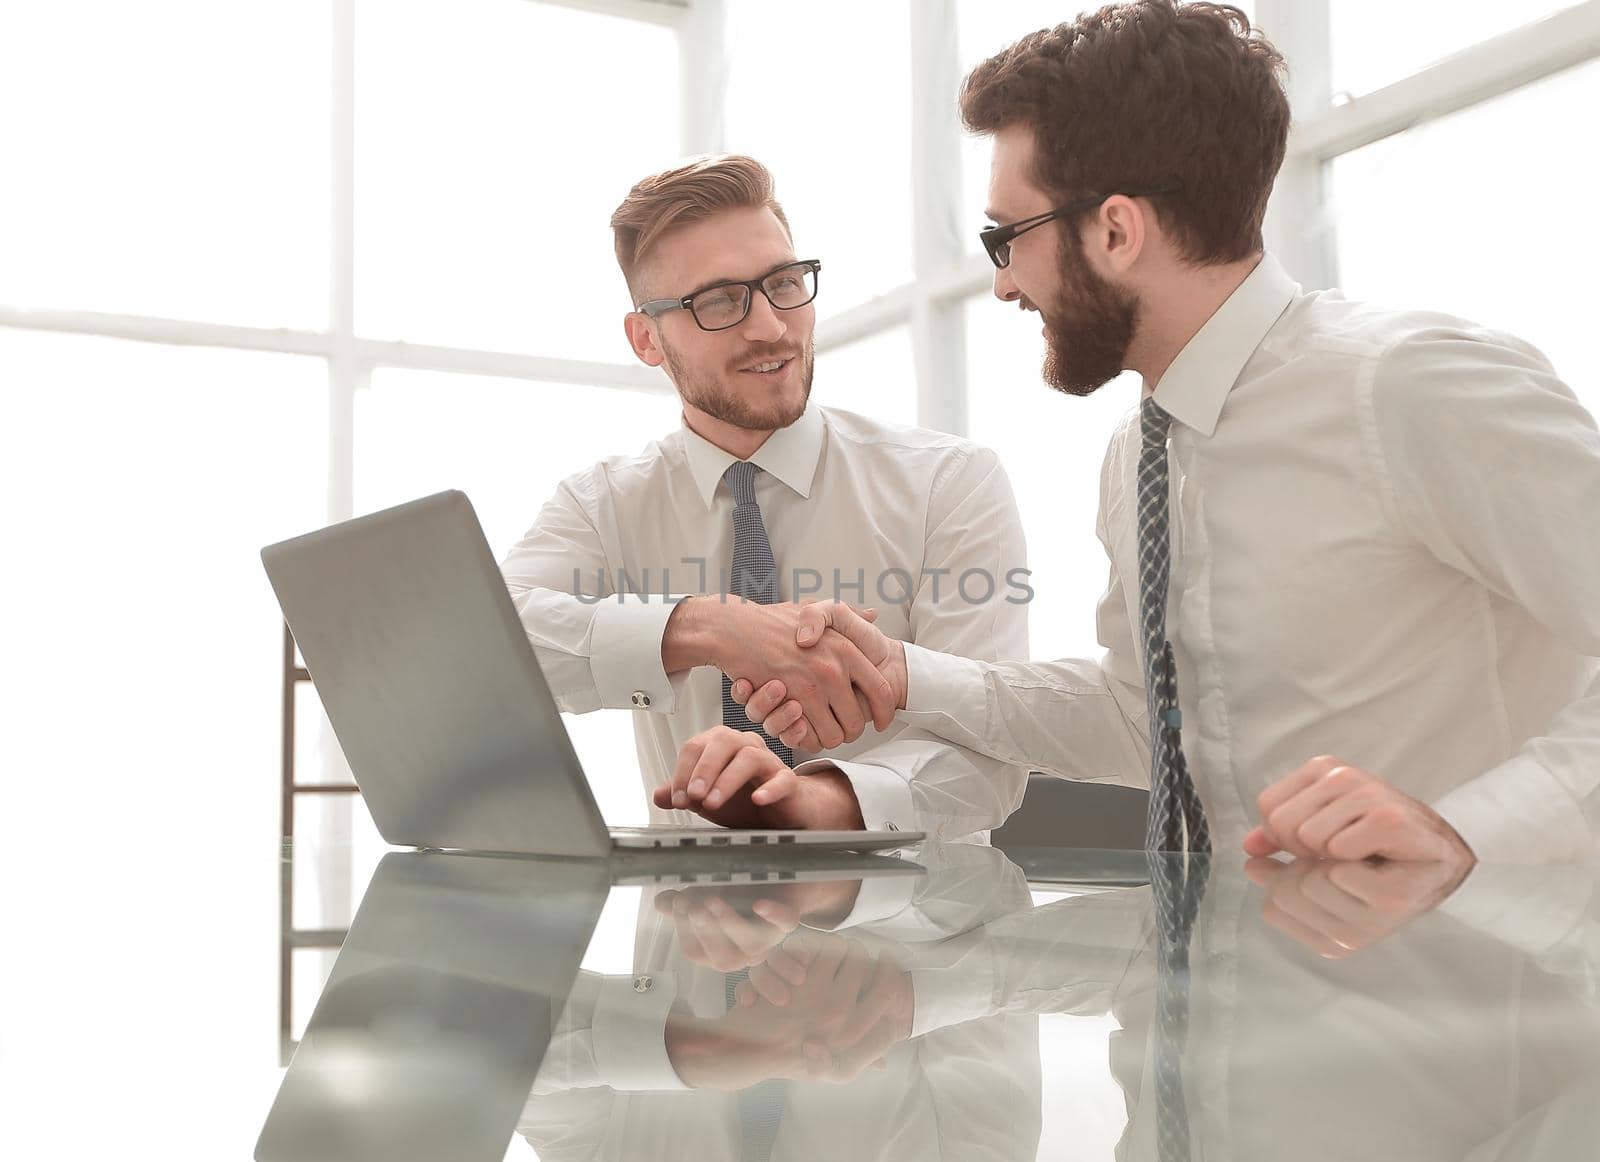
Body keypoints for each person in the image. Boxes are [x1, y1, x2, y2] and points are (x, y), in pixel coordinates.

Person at [720, 0, 1600, 866]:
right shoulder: (1142, 451)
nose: (1002, 285)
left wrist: (1462, 832)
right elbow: (1146, 719)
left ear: (1115, 229)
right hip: (1251, 991)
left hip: (1471, 987)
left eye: (1006, 237)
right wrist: (903, 674)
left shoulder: (1411, 384)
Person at [499, 153, 1030, 839]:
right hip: (694, 928)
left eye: (784, 283)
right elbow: (489, 649)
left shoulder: (949, 483)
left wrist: (812, 802)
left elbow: (990, 752)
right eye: (719, 301)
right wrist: (714, 630)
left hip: (910, 928)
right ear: (646, 339)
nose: (771, 327)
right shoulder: (604, 504)